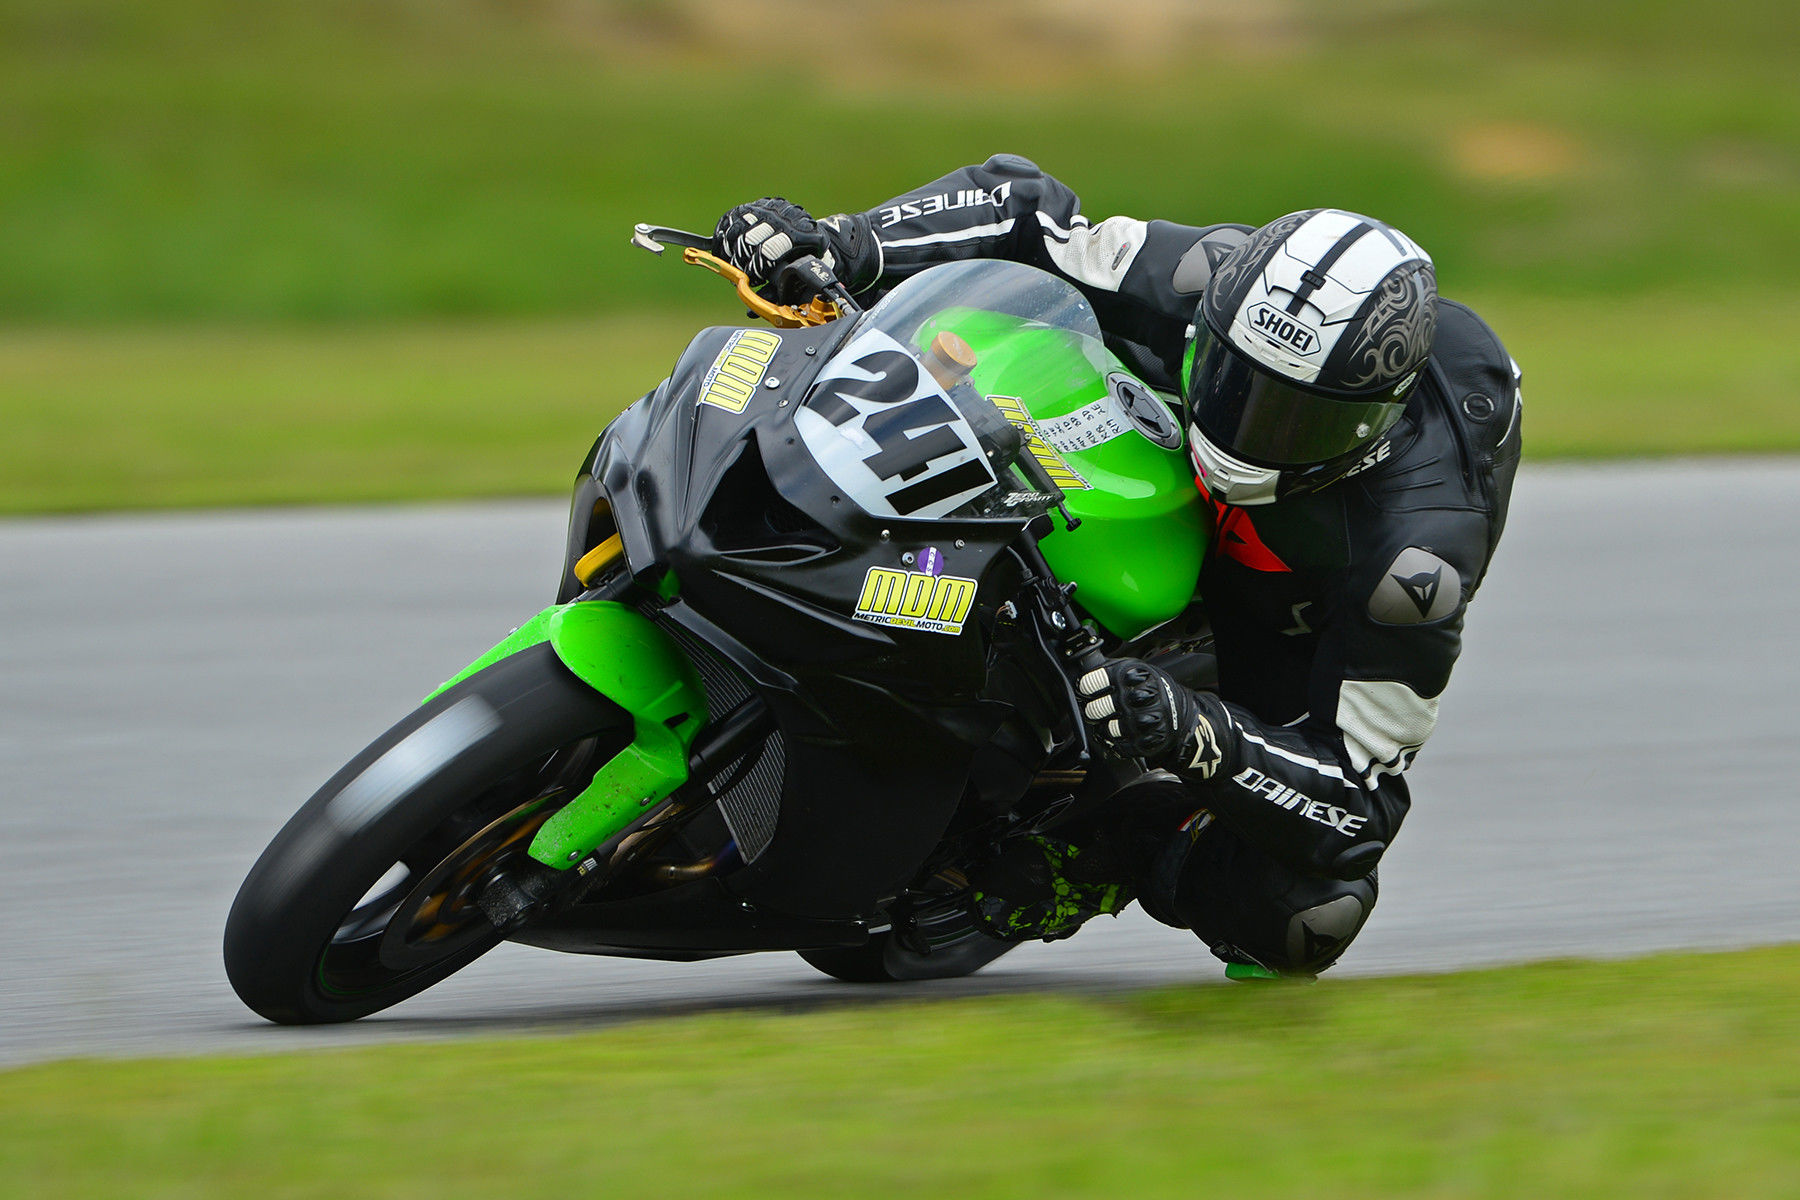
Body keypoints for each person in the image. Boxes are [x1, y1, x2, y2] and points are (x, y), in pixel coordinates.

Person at [711, 154, 1522, 978]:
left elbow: (1354, 807)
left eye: (1286, 418)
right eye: (1234, 380)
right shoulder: (1208, 280)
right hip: (1143, 439)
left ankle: (1100, 849)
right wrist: (845, 242)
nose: (1241, 426)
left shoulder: (1414, 559)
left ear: (1369, 425)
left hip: (1288, 603)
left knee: (1304, 911)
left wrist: (1192, 730)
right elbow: (1026, 211)